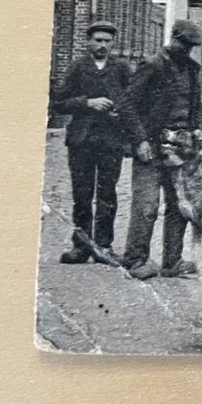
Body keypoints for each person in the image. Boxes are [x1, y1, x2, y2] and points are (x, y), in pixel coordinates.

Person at [120, 19, 202, 279]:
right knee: (146, 206)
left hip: (182, 148)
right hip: (152, 146)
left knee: (178, 205)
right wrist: (140, 140)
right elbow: (127, 105)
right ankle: (135, 261)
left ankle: (172, 262)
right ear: (173, 38)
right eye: (185, 45)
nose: (188, 51)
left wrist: (199, 127)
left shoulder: (192, 69)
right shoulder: (152, 64)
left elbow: (196, 103)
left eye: (192, 47)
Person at [52, 19, 132, 263]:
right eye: (98, 40)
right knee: (82, 194)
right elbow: (58, 102)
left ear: (113, 44)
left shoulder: (121, 69)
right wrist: (88, 103)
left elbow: (132, 100)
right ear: (88, 42)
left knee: (107, 194)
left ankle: (104, 247)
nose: (102, 45)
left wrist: (119, 111)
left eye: (107, 41)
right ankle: (81, 246)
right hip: (81, 140)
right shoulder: (77, 67)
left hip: (110, 140)